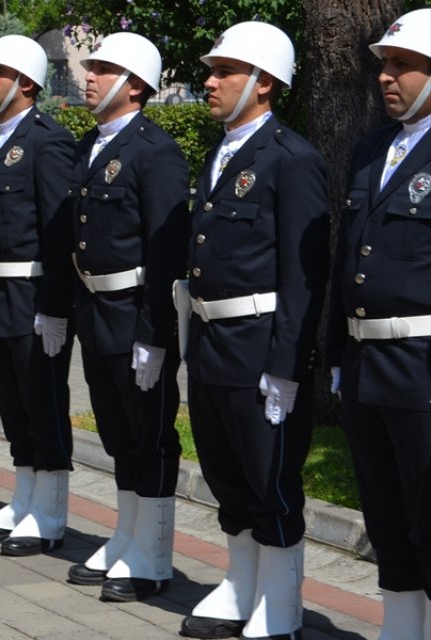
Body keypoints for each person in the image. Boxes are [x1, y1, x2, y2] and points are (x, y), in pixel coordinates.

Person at [179, 22, 329, 640]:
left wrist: (287, 367)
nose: (209, 83)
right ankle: (241, 584)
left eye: (225, 72)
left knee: (271, 477)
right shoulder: (221, 153)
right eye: (210, 71)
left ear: (264, 83)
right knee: (225, 471)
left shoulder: (291, 159)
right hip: (213, 340)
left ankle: (281, 602)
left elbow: (304, 276)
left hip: (261, 342)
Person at [59, 33, 190, 595]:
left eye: (103, 68)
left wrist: (155, 332)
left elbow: (166, 252)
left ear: (134, 84)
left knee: (149, 434)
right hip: (96, 309)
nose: (88, 76)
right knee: (116, 433)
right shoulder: (92, 144)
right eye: (90, 68)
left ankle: (154, 555)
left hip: (136, 312)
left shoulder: (154, 151)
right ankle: (127, 535)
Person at [328, 8, 431, 638]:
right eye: (383, 66)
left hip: (424, 364)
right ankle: (400, 626)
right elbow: (351, 255)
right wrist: (338, 355)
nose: (385, 78)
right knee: (386, 514)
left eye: (401, 65)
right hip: (368, 364)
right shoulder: (373, 149)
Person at [0, 35, 82, 558]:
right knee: (12, 404)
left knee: (43, 404)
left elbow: (59, 232)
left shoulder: (47, 141)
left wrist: (55, 307)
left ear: (26, 83)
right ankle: (25, 497)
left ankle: (51, 512)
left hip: (32, 296)